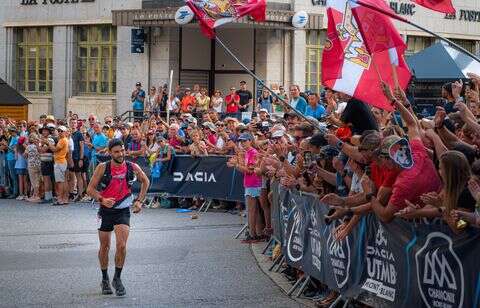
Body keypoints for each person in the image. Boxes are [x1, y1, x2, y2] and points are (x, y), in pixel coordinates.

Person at [87, 138, 149, 297]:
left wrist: (140, 201)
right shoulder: (103, 167)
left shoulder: (132, 166)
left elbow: (145, 181)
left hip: (122, 210)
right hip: (105, 210)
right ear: (110, 153)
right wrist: (102, 199)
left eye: (122, 150)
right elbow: (90, 189)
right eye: (116, 152)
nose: (120, 154)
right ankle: (104, 278)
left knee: (121, 246)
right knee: (105, 246)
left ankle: (117, 278)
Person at [50, 126, 70, 205]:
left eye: (62, 131)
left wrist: (48, 143)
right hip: (62, 161)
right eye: (59, 131)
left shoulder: (62, 140)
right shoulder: (63, 140)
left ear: (65, 132)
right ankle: (64, 199)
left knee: (60, 182)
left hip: (60, 162)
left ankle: (60, 199)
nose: (60, 132)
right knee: (63, 181)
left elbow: (55, 149)